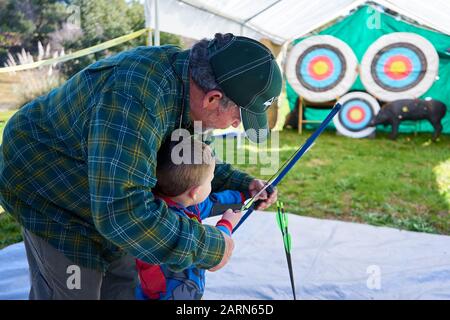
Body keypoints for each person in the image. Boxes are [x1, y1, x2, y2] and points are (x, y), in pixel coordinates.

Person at [0, 33, 281, 299]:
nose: (235, 125)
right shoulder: (135, 99)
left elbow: (186, 159)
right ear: (213, 99)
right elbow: (122, 212)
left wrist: (241, 184)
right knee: (77, 287)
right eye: (238, 118)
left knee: (125, 273)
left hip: (106, 180)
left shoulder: (187, 84)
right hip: (45, 181)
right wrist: (209, 247)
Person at [135, 138, 245, 300]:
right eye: (210, 181)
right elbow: (213, 242)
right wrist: (226, 224)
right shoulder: (167, 223)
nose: (211, 184)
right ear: (195, 192)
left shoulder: (185, 202)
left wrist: (245, 195)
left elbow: (213, 202)